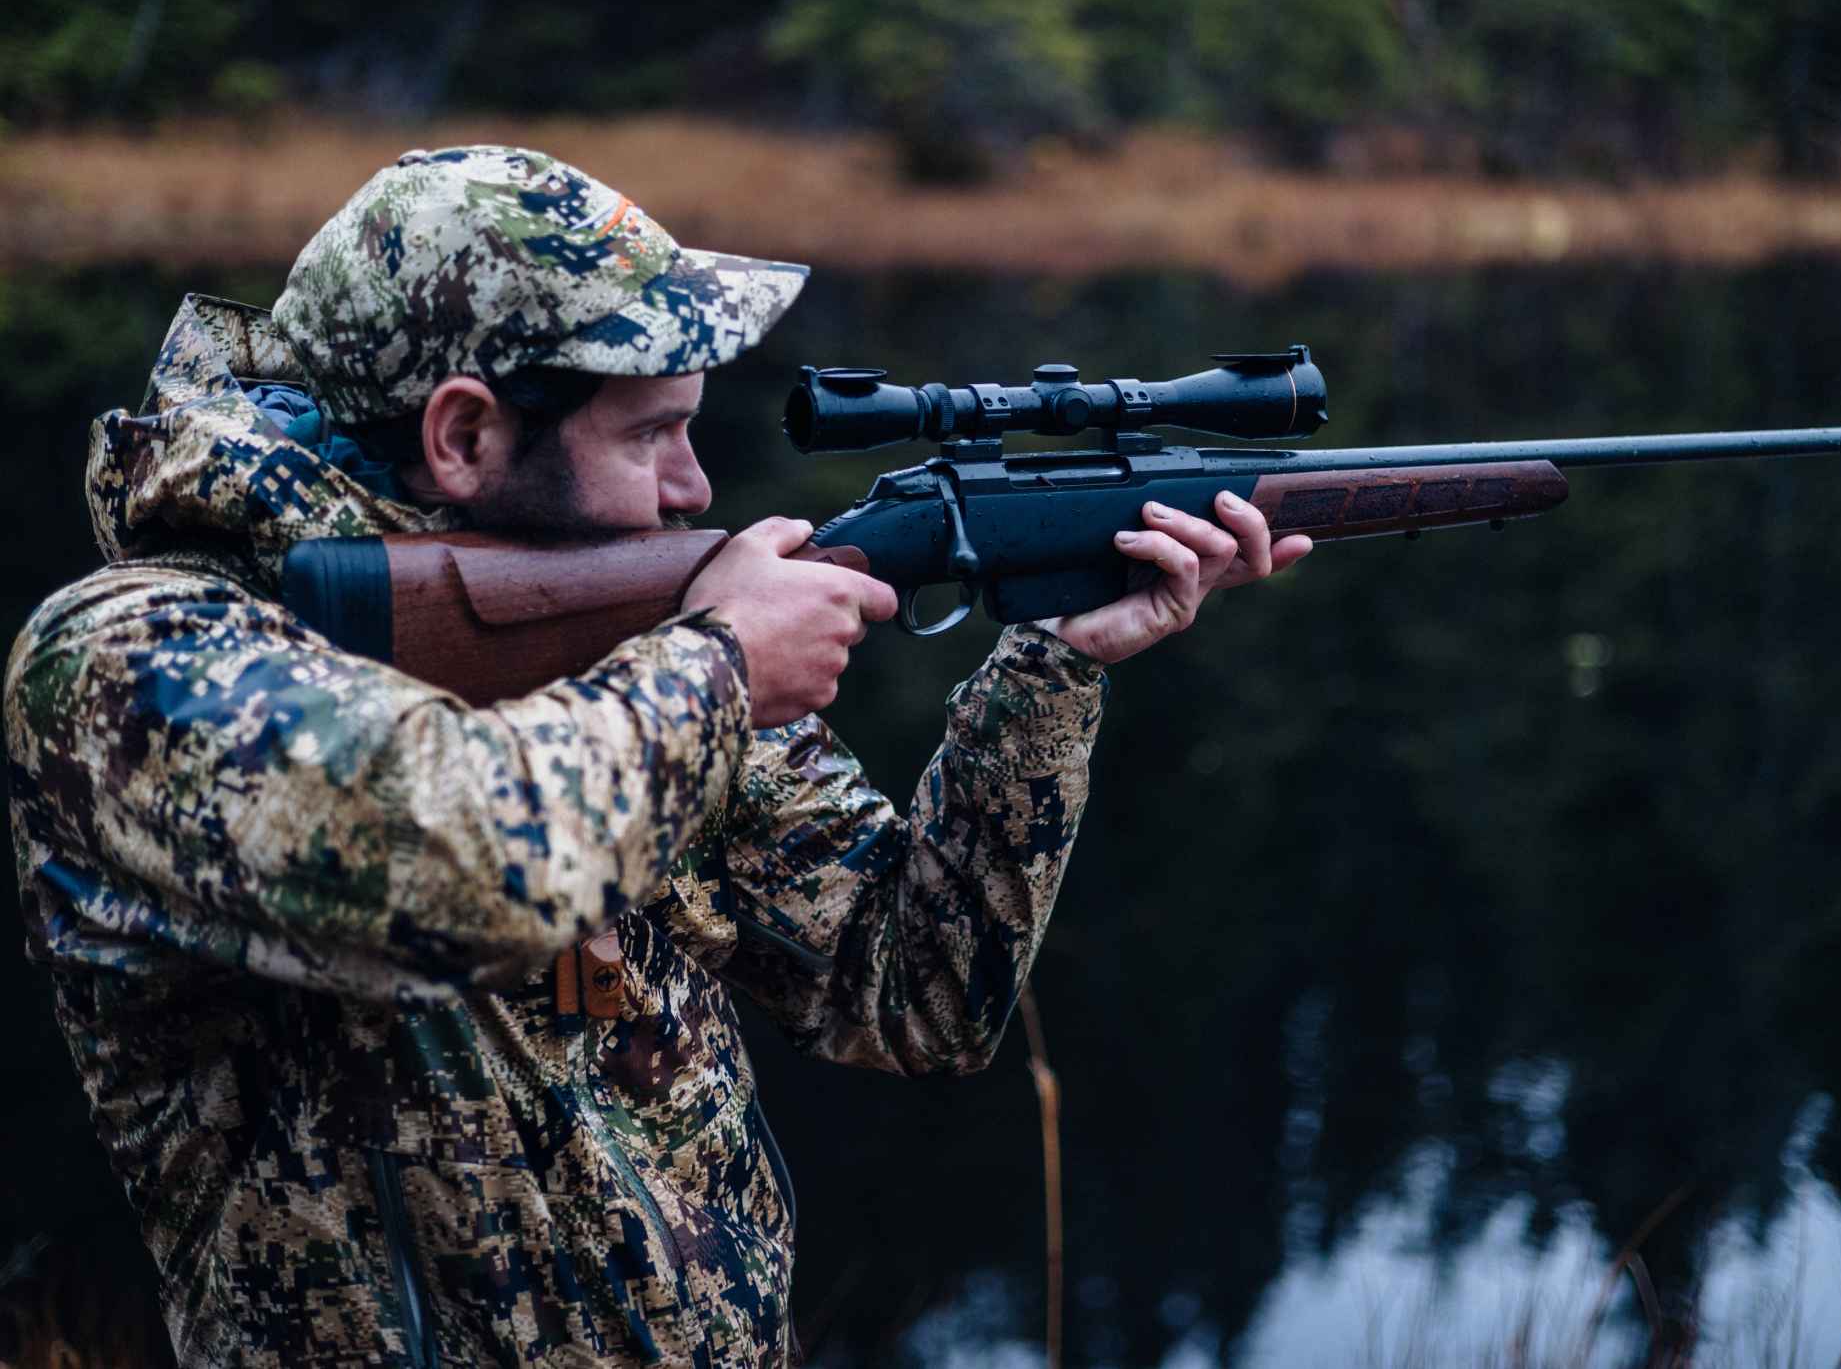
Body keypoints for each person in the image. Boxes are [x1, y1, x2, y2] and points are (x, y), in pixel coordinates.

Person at [5, 146, 1308, 1366]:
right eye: (649, 435)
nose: (694, 489)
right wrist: (728, 664)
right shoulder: (129, 661)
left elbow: (913, 993)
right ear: (464, 437)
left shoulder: (628, 653)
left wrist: (1055, 663)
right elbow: (464, 859)